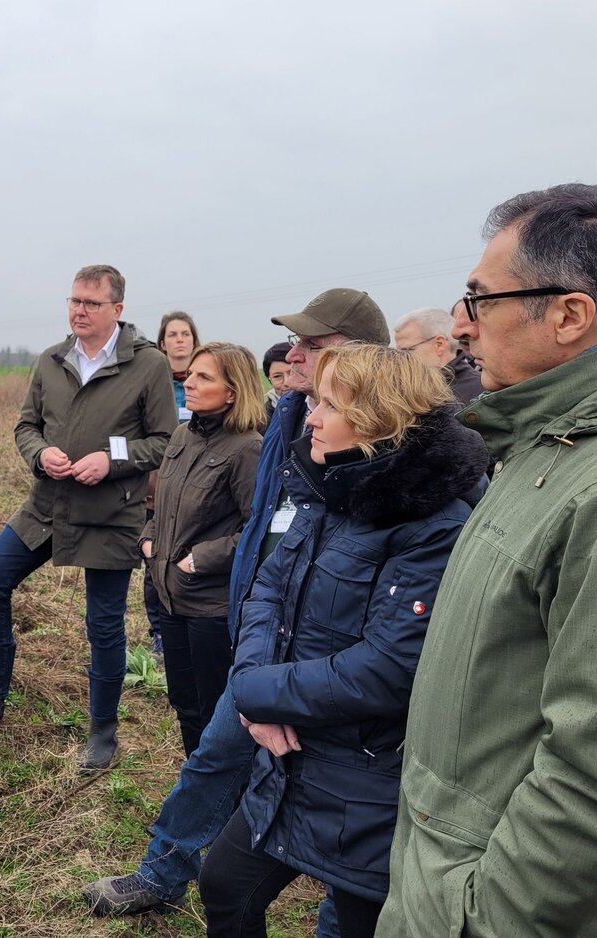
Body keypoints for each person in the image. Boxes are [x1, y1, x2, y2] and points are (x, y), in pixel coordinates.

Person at [379, 183, 597, 936]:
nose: (463, 325)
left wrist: (479, 918)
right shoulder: (545, 446)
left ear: (569, 315)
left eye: (481, 300)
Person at [85, 288, 390, 935]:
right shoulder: (291, 420)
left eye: (312, 344)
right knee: (213, 759)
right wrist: (256, 663)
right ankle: (162, 872)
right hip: (268, 643)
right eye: (295, 343)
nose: (293, 355)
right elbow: (269, 551)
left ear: (359, 355)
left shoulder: (395, 454)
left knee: (353, 812)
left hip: (341, 667)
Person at [198, 344, 487, 937]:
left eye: (330, 404)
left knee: (360, 925)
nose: (311, 416)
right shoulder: (331, 491)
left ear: (379, 419)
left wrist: (259, 694)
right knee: (225, 885)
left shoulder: (435, 525)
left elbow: (387, 669)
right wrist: (254, 690)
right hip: (290, 761)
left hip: (370, 782)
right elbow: (267, 590)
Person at [0, 265, 177, 771]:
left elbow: (165, 440)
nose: (79, 311)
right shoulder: (52, 359)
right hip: (48, 506)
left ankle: (103, 733)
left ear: (117, 310)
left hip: (110, 513)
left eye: (91, 303)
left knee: (103, 624)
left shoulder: (148, 365)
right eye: (74, 301)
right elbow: (26, 426)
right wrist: (40, 454)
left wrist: (112, 460)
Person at [140, 343, 263, 757]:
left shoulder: (247, 448)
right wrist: (148, 538)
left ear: (232, 392)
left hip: (211, 607)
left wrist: (200, 560)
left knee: (214, 711)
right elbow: (164, 504)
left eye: (204, 377)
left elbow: (257, 530)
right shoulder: (181, 436)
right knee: (184, 703)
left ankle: (219, 790)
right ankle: (193, 781)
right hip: (170, 597)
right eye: (191, 373)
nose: (189, 382)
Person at [144, 310, 202, 656]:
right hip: (157, 487)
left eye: (185, 334)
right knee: (156, 562)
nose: (179, 340)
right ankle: (160, 633)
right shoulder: (153, 381)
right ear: (162, 343)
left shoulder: (206, 380)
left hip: (198, 486)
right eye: (173, 334)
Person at [393, 306, 483, 405]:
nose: (399, 359)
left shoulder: (480, 392)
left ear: (439, 344)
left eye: (406, 351)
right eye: (397, 353)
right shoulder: (404, 390)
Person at [261, 341, 292, 424]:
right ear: (269, 379)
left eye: (292, 373)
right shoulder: (261, 420)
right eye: (277, 376)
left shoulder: (314, 410)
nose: (286, 382)